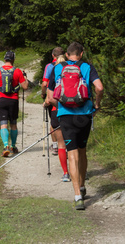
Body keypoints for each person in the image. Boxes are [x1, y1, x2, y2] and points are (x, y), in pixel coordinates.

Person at [45, 41, 104, 210]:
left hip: (65, 117)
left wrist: (63, 104)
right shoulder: (87, 67)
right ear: (81, 53)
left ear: (67, 54)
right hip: (84, 115)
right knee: (82, 150)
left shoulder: (57, 67)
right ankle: (83, 185)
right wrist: (97, 104)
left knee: (72, 153)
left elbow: (50, 98)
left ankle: (78, 195)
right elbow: (99, 87)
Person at [0, 50, 29, 157]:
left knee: (3, 124)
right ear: (13, 60)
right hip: (13, 100)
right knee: (13, 124)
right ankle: (13, 146)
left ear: (5, 59)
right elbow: (25, 87)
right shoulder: (17, 71)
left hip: (1, 99)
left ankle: (6, 146)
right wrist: (25, 77)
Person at [41, 47, 69, 181]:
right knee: (75, 145)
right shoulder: (74, 66)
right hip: (75, 109)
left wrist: (45, 99)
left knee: (62, 143)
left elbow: (45, 84)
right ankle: (80, 172)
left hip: (57, 108)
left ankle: (65, 173)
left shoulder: (51, 67)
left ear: (53, 55)